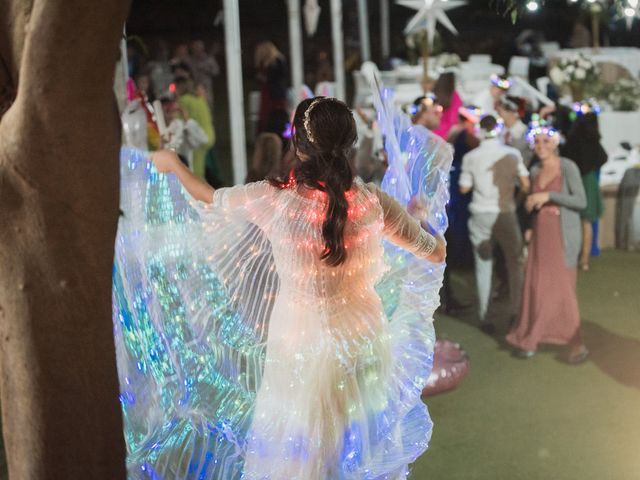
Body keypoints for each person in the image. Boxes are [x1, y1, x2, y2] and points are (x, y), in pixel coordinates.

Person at [119, 97, 446, 478]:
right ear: (350, 144)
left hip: (304, 349)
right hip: (365, 344)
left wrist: (173, 163)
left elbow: (209, 198)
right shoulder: (374, 203)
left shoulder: (274, 199)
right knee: (350, 452)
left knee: (301, 458)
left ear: (298, 145)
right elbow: (434, 252)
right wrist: (422, 221)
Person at [507, 121, 589, 363]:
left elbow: (581, 201)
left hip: (562, 236)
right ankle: (532, 338)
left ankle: (576, 344)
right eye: (537, 142)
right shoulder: (534, 171)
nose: (540, 146)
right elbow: (533, 204)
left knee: (563, 290)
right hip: (540, 235)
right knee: (537, 287)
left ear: (555, 143)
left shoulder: (568, 166)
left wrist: (549, 195)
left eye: (546, 141)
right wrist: (531, 223)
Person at [459, 115, 530, 332]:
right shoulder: (512, 153)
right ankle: (516, 311)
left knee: (483, 265)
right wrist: (515, 200)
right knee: (515, 263)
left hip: (481, 213)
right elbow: (526, 184)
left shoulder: (471, 156)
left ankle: (485, 315)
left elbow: (463, 188)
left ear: (480, 131)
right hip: (505, 211)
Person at [561, 104, 607, 271]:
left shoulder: (573, 139)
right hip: (589, 180)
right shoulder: (594, 140)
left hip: (575, 180)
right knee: (586, 221)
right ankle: (585, 260)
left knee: (574, 221)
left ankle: (574, 256)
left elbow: (565, 158)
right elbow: (603, 157)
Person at [174, 75, 215, 179]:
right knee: (199, 168)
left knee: (194, 170)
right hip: (208, 134)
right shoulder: (199, 99)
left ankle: (198, 191)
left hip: (196, 137)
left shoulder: (184, 100)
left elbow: (178, 119)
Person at [255, 41, 289, 138]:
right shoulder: (264, 63)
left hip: (275, 94)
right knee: (266, 113)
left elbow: (278, 76)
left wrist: (266, 77)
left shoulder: (277, 61)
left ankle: (278, 133)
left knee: (276, 113)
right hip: (267, 93)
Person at [496, 95, 532, 167]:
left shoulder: (526, 133)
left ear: (513, 112)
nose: (498, 112)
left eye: (502, 110)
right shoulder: (499, 131)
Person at [432, 71, 464, 139]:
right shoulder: (454, 96)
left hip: (432, 133)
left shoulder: (433, 95)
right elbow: (454, 118)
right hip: (447, 135)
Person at [190, 39, 220, 110]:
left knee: (208, 107)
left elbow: (216, 71)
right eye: (194, 48)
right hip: (193, 87)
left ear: (202, 48)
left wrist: (207, 71)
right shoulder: (191, 60)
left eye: (198, 47)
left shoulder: (209, 59)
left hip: (206, 87)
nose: (196, 49)